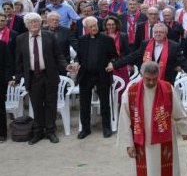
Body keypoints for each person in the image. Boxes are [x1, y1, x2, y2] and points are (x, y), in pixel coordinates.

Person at [117, 61, 187, 176]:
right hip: (142, 142)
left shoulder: (167, 89)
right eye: (148, 79)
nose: (151, 82)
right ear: (141, 75)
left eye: (154, 79)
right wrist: (128, 144)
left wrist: (185, 131)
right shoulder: (131, 92)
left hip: (164, 142)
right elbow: (125, 120)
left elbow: (178, 112)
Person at [11, 12, 74, 144]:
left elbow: (58, 55)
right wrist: (16, 78)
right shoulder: (21, 38)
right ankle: (38, 131)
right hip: (33, 77)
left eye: (36, 22)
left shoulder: (49, 36)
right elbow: (18, 61)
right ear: (26, 25)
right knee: (37, 105)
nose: (34, 24)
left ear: (40, 23)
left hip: (49, 75)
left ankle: (50, 131)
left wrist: (66, 66)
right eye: (31, 22)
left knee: (51, 104)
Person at [107, 23, 187, 84]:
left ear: (166, 34)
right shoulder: (146, 44)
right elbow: (132, 56)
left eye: (161, 32)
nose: (158, 34)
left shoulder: (174, 46)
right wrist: (114, 65)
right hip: (148, 81)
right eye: (156, 32)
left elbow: (184, 63)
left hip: (166, 82)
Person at [75, 16, 118, 139]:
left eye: (95, 25)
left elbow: (114, 56)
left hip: (102, 75)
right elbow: (79, 56)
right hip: (86, 75)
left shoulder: (107, 39)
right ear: (86, 28)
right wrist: (77, 62)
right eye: (90, 26)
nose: (93, 28)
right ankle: (85, 129)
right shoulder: (82, 40)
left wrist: (112, 62)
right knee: (84, 103)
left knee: (104, 102)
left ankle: (106, 127)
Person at [0, 37, 10, 142]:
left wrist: (6, 80)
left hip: (0, 82)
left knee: (1, 109)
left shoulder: (3, 45)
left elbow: (8, 64)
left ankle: (2, 133)